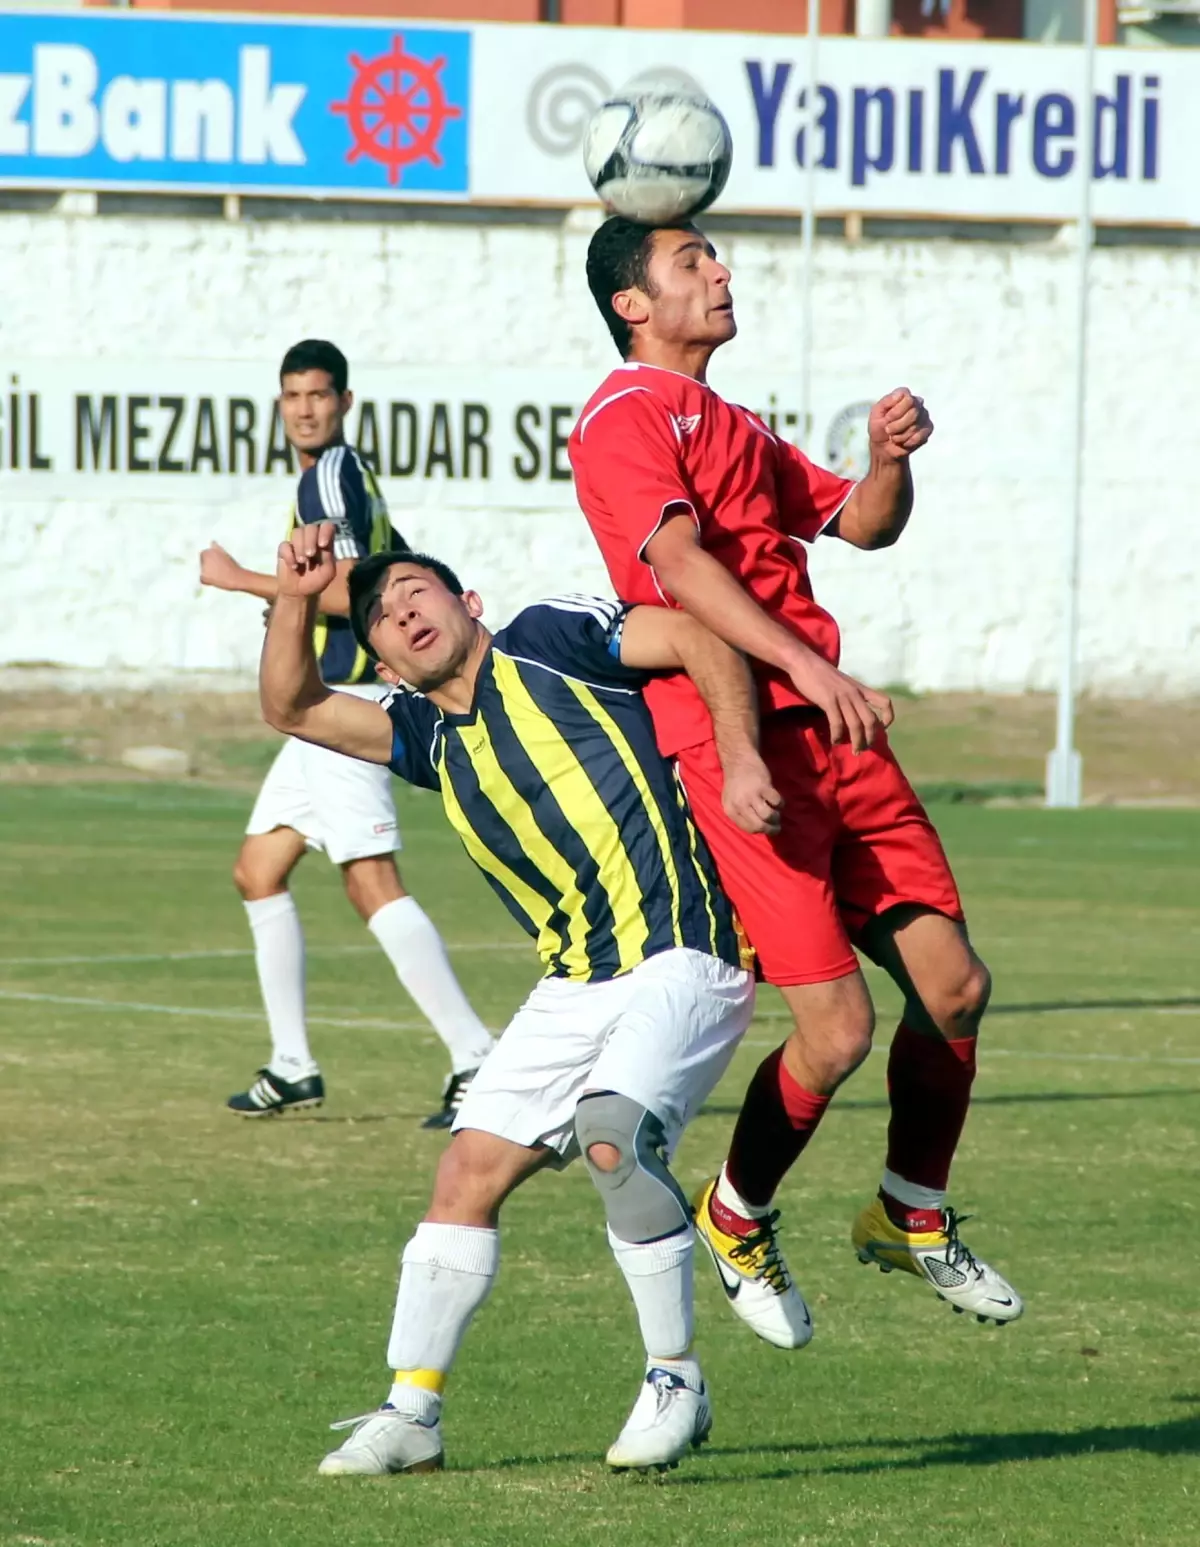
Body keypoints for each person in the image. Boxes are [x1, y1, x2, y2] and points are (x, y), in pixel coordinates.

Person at [569, 217, 1022, 1345]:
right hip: (747, 739)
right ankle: (736, 1212)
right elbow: (675, 570)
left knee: (956, 988)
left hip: (836, 732)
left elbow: (862, 526)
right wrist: (804, 666)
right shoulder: (622, 418)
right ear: (633, 303)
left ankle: (908, 1210)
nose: (721, 271)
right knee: (835, 1029)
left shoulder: (734, 422)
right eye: (691, 262)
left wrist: (887, 461)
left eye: (716, 256)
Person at [258, 520, 777, 1474]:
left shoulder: (549, 640)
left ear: (469, 603)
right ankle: (412, 1413)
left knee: (613, 1132)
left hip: (686, 948)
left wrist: (741, 758)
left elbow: (700, 637)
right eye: (378, 613)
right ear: (378, 657)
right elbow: (291, 704)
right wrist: (293, 594)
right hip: (574, 980)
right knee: (465, 1176)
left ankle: (677, 1380)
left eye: (415, 589)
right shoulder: (420, 733)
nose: (400, 610)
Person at [199, 339, 492, 1126]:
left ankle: (475, 1057)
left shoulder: (329, 472)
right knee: (258, 869)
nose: (304, 408)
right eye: (292, 395)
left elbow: (347, 591)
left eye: (318, 395)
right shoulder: (333, 475)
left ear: (344, 402)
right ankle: (294, 1063)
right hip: (323, 703)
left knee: (371, 881)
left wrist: (245, 581)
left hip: (346, 700)